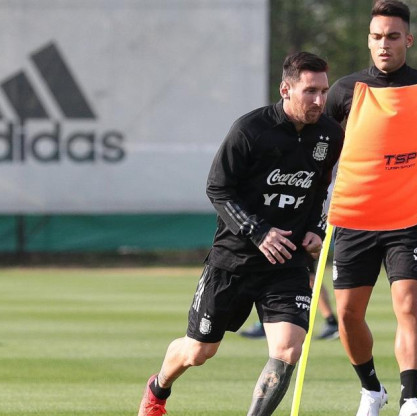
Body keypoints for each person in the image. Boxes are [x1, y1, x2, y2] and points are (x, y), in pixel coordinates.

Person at [137, 51, 343, 416]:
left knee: (288, 349)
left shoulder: (329, 135)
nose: (319, 100)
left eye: (324, 91)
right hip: (234, 260)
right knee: (199, 351)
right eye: (310, 91)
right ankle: (157, 389)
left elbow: (323, 189)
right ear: (285, 89)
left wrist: (316, 227)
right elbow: (217, 189)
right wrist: (259, 231)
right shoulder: (251, 130)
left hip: (287, 262)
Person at [324, 2, 417, 416]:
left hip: (411, 215)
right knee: (348, 315)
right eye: (377, 37)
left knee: (408, 304)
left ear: (407, 40)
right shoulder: (344, 90)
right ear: (368, 40)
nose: (384, 44)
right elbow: (320, 146)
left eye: (393, 36)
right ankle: (372, 389)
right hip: (355, 216)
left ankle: (410, 400)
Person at [241, 257, 339, 340]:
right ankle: (266, 321)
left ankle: (331, 322)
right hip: (285, 238)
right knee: (274, 273)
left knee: (308, 276)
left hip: (298, 239)